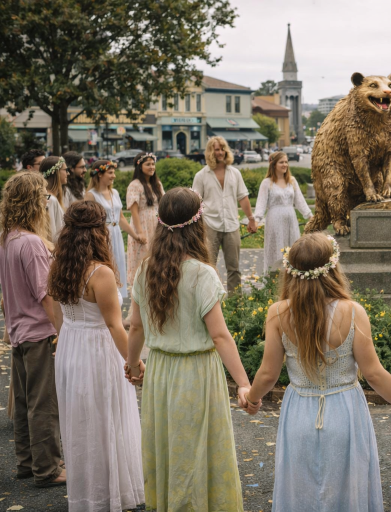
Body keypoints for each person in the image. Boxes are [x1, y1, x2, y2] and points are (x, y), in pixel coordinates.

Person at [244, 232, 391, 511]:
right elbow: (375, 374)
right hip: (345, 412)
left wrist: (251, 397)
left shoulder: (278, 313)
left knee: (301, 491)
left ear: (290, 272)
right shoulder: (353, 312)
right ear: (333, 269)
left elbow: (268, 374)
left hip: (299, 414)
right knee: (347, 491)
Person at [125, 188, 254, 511]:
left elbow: (136, 326)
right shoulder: (202, 274)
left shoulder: (145, 270)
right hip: (197, 372)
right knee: (196, 446)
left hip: (160, 371)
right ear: (198, 225)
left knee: (169, 444)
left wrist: (133, 364)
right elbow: (221, 336)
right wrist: (242, 382)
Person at [48, 201, 144, 511]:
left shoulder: (59, 264)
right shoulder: (99, 272)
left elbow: (55, 306)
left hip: (70, 346)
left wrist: (64, 333)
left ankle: (93, 491)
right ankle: (109, 494)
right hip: (97, 351)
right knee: (105, 420)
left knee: (83, 421)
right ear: (100, 232)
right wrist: (134, 361)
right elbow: (115, 326)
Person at [0, 172, 66, 487]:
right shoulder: (30, 244)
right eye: (42, 198)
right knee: (44, 404)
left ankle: (27, 463)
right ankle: (48, 468)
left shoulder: (7, 239)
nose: (45, 203)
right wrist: (62, 332)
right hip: (39, 333)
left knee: (26, 401)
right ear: (32, 202)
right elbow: (46, 295)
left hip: (17, 331)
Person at [192, 136, 257, 293]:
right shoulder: (201, 175)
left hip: (231, 225)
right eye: (216, 149)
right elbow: (195, 203)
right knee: (208, 268)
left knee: (234, 268)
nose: (220, 152)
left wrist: (251, 219)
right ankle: (209, 301)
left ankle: (235, 304)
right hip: (209, 226)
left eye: (222, 149)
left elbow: (242, 197)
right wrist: (196, 227)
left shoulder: (235, 173)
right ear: (210, 152)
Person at [85, 160, 144, 301]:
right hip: (101, 235)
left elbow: (121, 218)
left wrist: (135, 235)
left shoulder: (115, 192)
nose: (114, 176)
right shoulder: (91, 195)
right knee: (106, 268)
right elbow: (88, 221)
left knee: (118, 266)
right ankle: (106, 300)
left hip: (116, 234)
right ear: (100, 174)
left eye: (114, 172)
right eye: (110, 173)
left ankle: (118, 303)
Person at [253, 151, 313, 275]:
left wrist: (310, 216)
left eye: (286, 162)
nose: (284, 164)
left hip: (291, 219)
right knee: (276, 249)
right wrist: (256, 220)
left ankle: (293, 276)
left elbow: (300, 201)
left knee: (292, 248)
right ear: (274, 165)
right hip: (274, 220)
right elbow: (261, 204)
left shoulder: (292, 181)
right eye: (281, 162)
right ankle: (273, 278)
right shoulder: (267, 183)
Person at [126, 152, 164, 287]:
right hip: (142, 224)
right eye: (148, 164)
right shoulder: (135, 185)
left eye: (153, 164)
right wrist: (140, 232)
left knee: (157, 258)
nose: (151, 167)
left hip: (156, 225)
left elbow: (162, 204)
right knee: (142, 260)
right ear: (139, 166)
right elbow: (134, 211)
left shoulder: (157, 184)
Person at [38, 156, 68, 242]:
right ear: (56, 172)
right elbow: (52, 234)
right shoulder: (50, 200)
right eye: (65, 170)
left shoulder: (51, 198)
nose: (68, 173)